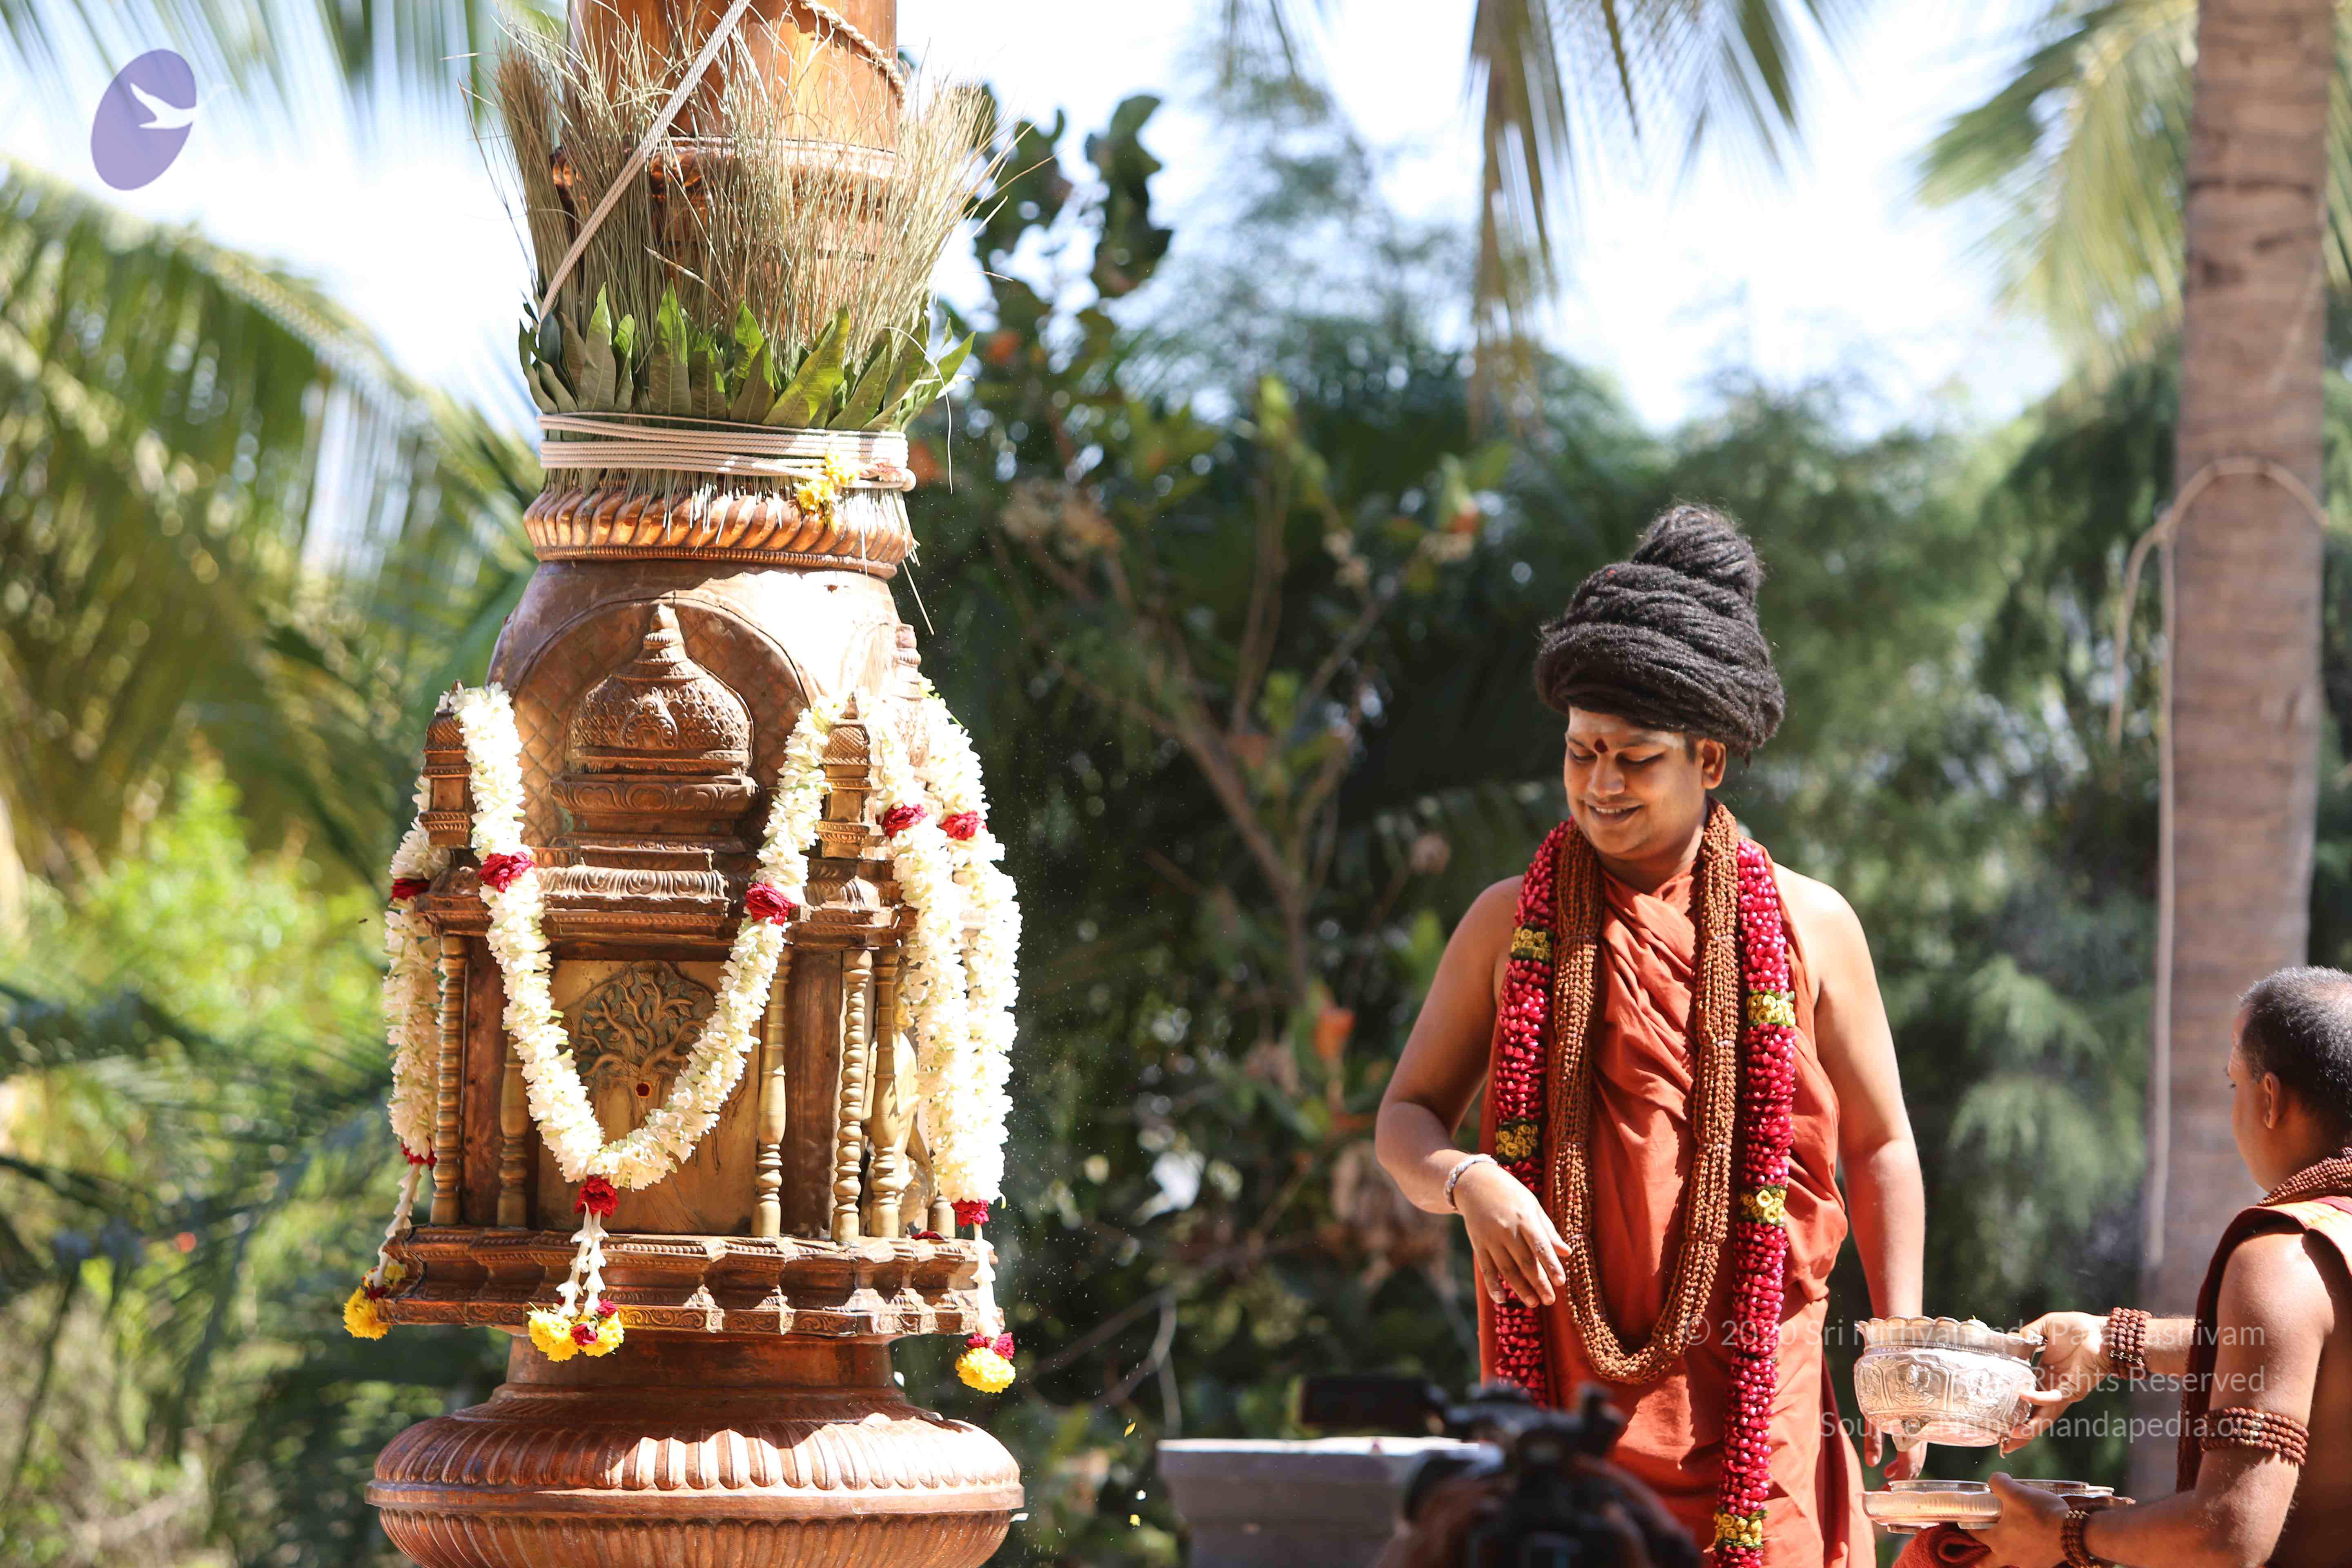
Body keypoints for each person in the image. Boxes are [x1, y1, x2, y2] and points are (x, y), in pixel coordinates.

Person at [1376, 505, 1926, 1568]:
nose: (1601, 785)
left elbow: (1881, 1144)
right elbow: (1406, 1117)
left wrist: (1899, 1348)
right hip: (1562, 1418)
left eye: (1635, 758)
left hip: (1762, 1405)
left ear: (1709, 758)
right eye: (1581, 753)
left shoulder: (1812, 925)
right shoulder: (1507, 923)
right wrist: (1468, 1182)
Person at [1971, 967, 2352, 1568]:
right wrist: (2111, 1342)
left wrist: (2062, 1532)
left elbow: (2226, 1535)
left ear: (2269, 1099)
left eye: (2233, 1083)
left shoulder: (2283, 1258)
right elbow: (2311, 1354)